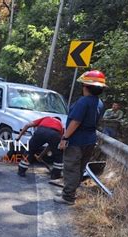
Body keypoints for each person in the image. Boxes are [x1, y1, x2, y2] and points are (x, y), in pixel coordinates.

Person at [54, 70, 106, 205]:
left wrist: (65, 138)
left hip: (77, 140)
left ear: (86, 86)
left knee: (71, 168)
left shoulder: (83, 101)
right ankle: (70, 192)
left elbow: (75, 122)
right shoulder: (99, 103)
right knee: (80, 168)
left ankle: (68, 197)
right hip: (90, 140)